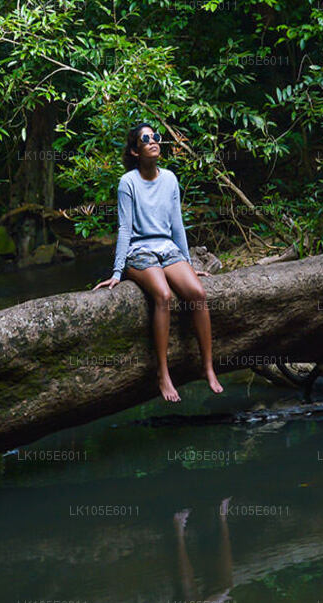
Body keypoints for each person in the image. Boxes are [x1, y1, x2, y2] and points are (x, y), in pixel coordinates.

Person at [93, 122, 223, 402]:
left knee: (198, 294)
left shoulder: (170, 179)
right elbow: (125, 229)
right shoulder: (127, 182)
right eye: (146, 139)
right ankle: (163, 374)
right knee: (163, 295)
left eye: (156, 137)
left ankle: (208, 367)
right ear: (135, 151)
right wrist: (117, 272)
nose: (154, 141)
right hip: (140, 251)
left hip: (167, 248)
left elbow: (177, 225)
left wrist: (188, 264)